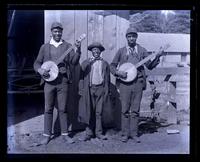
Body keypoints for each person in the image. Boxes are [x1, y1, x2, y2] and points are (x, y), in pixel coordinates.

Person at [110, 27, 164, 143]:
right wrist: (118, 72)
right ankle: (125, 134)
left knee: (135, 110)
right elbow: (112, 66)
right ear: (126, 38)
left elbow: (149, 66)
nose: (131, 38)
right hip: (124, 84)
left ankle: (134, 134)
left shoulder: (142, 50)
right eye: (129, 36)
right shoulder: (121, 51)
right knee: (124, 110)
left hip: (138, 83)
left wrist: (158, 56)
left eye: (133, 36)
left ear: (136, 37)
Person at [33, 22, 81, 145]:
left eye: (59, 31)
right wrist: (40, 70)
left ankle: (65, 134)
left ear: (62, 32)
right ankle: (47, 135)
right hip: (49, 82)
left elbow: (74, 62)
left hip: (62, 81)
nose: (57, 33)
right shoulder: (45, 47)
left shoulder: (67, 46)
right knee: (48, 108)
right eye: (55, 31)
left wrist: (78, 49)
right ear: (52, 32)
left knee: (63, 108)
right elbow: (37, 63)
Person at [78, 42, 111, 141]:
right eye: (94, 50)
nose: (96, 52)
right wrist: (81, 89)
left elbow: (108, 78)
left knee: (99, 112)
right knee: (89, 111)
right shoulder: (87, 62)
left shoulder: (104, 63)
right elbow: (81, 72)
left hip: (101, 89)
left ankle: (99, 133)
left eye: (98, 50)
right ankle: (88, 133)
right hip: (89, 89)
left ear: (100, 52)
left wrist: (107, 90)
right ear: (91, 52)